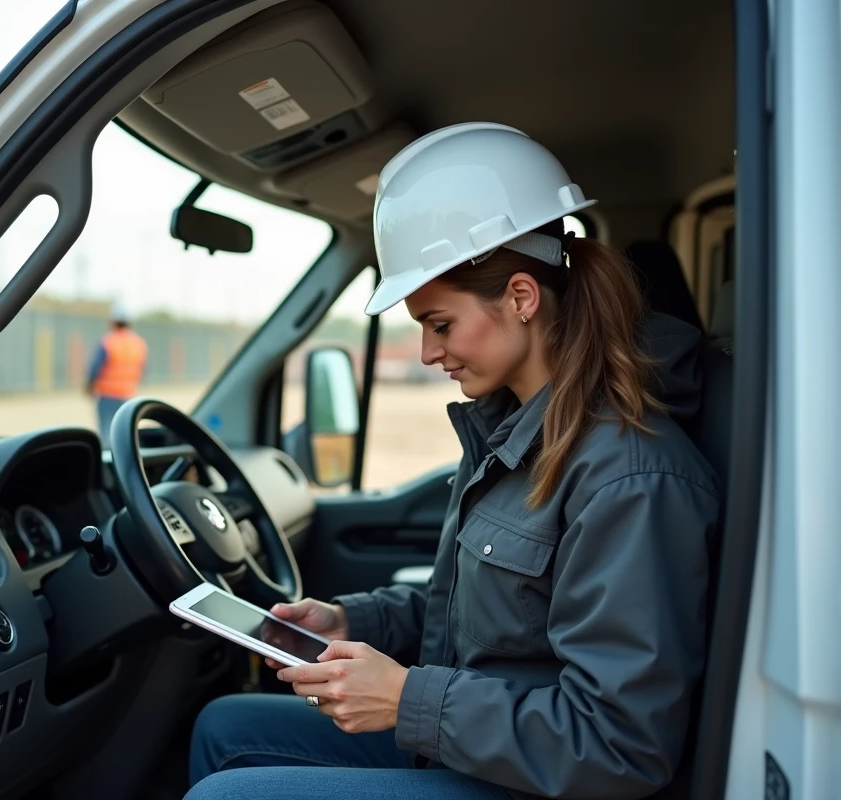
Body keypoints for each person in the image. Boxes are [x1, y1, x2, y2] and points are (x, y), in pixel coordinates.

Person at [186, 122, 720, 800]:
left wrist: (408, 700)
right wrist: (356, 623)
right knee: (224, 727)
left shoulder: (632, 478)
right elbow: (495, 614)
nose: (429, 353)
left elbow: (620, 743)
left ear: (522, 299)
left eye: (441, 324)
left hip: (550, 779)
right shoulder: (517, 433)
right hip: (491, 743)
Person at [86, 302, 147, 449]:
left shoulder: (108, 341)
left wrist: (88, 386)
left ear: (113, 321)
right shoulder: (139, 343)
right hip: (127, 395)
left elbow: (95, 368)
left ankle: (107, 466)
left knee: (106, 433)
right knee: (123, 434)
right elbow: (142, 369)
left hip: (107, 395)